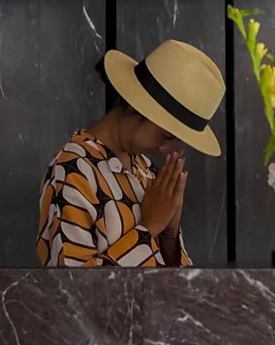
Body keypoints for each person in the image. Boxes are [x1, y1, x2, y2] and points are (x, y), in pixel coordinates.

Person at [35, 39, 225, 268]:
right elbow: (72, 292)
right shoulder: (72, 170)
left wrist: (169, 233)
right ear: (136, 105)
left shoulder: (145, 170)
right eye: (166, 136)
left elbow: (178, 288)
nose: (166, 150)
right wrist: (149, 227)